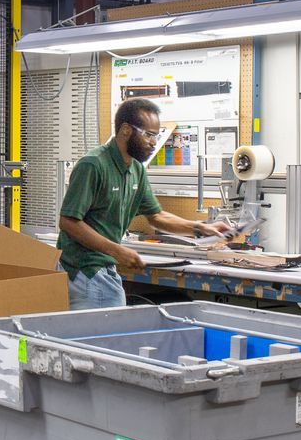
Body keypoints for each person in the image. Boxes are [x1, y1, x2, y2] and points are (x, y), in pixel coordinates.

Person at [57, 99, 235, 310]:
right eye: (148, 135)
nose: (154, 142)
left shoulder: (136, 170)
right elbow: (68, 221)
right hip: (84, 272)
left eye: (156, 136)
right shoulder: (94, 165)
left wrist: (201, 228)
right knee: (104, 339)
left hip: (106, 269)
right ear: (125, 130)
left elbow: (156, 216)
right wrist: (118, 251)